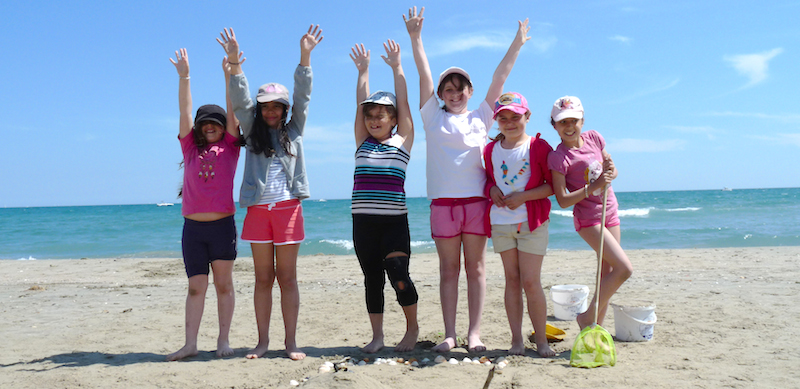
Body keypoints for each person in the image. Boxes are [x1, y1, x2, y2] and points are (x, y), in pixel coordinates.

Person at [404, 6, 530, 352]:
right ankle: (449, 333)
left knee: (475, 270)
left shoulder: (481, 118)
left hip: (476, 203)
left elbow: (499, 79)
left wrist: (517, 44)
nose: (454, 94)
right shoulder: (432, 116)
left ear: (469, 91)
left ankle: (474, 333)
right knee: (448, 271)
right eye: (449, 89)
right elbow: (423, 75)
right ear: (441, 95)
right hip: (443, 205)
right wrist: (416, 38)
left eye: (460, 88)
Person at [217, 25, 323, 361]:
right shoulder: (252, 130)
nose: (271, 110)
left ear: (284, 108)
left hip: (288, 209)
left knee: (287, 279)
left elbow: (303, 95)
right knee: (263, 279)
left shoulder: (295, 130)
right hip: (258, 212)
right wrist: (235, 65)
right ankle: (263, 342)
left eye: (277, 105)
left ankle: (290, 342)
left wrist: (305, 56)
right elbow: (240, 100)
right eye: (266, 106)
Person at [167, 47, 241, 361]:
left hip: (222, 227)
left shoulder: (231, 146)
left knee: (224, 286)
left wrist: (230, 74)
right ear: (197, 128)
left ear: (224, 128)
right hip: (193, 230)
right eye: (204, 123)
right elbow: (184, 112)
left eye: (216, 122)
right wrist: (185, 77)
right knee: (196, 287)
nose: (210, 126)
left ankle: (224, 340)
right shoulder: (188, 148)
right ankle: (190, 344)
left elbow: (234, 110)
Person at [349, 40, 418, 353]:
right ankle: (377, 336)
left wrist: (397, 67)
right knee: (372, 279)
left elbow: (404, 102)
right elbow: (359, 102)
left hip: (393, 223)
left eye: (382, 115)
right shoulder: (362, 142)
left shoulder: (402, 142)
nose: (374, 120)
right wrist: (363, 71)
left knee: (399, 275)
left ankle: (411, 329)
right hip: (363, 223)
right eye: (370, 115)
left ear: (393, 119)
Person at [546, 96, 633, 330]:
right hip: (589, 220)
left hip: (610, 212)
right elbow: (562, 200)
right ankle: (586, 317)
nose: (569, 126)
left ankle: (594, 330)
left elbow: (612, 174)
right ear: (554, 126)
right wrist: (591, 188)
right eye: (563, 122)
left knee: (607, 275)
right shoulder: (559, 157)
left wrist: (611, 171)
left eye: (574, 120)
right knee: (625, 269)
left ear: (582, 120)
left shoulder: (595, 138)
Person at [483, 92, 555, 357]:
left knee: (531, 282)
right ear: (496, 121)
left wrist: (523, 196)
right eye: (503, 118)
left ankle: (542, 342)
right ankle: (516, 341)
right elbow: (489, 180)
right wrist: (491, 190)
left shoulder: (538, 147)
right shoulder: (490, 149)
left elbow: (552, 187)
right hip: (501, 223)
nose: (509, 123)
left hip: (531, 223)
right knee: (511, 281)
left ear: (527, 116)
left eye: (515, 117)